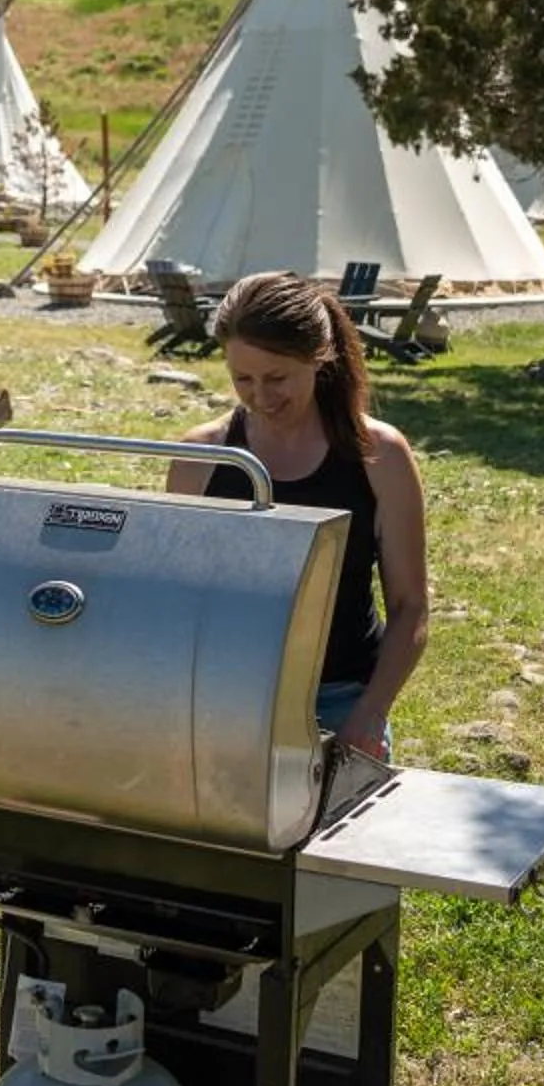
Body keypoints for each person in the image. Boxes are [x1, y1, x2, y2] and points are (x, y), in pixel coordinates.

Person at [165, 271, 430, 759]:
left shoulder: (380, 456)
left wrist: (369, 713)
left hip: (340, 699)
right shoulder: (201, 456)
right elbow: (180, 598)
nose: (261, 398)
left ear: (318, 358)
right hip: (225, 694)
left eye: (277, 378)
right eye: (243, 379)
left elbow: (411, 606)